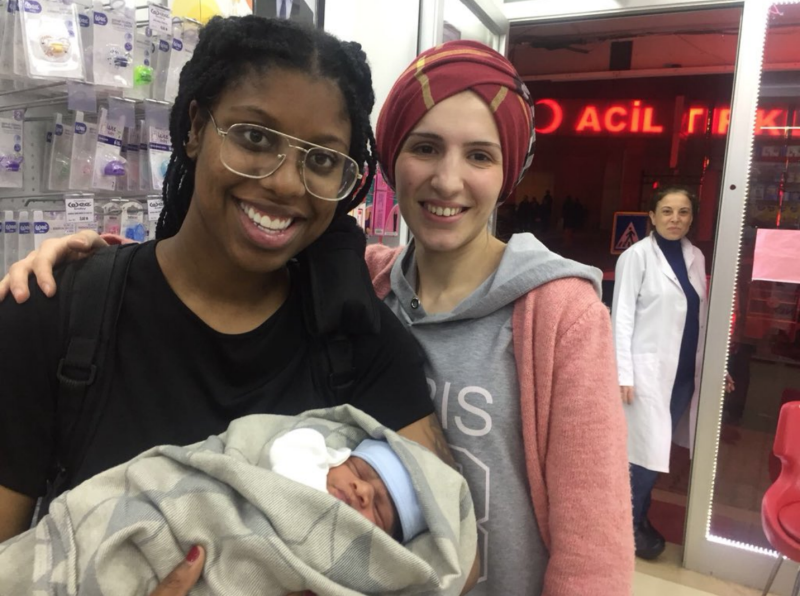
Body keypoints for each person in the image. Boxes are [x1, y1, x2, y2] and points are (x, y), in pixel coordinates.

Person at [2, 39, 634, 594]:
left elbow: (521, 554)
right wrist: (93, 267)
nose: (283, 182)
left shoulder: (371, 329)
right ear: (195, 126)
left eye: (321, 157)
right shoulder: (368, 287)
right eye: (254, 136)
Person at [1, 406, 477, 595]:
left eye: (378, 511)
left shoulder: (357, 317)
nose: (361, 493)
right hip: (136, 522)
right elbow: (290, 452)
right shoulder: (302, 455)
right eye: (361, 473)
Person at [611, 186, 708, 560]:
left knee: (655, 451)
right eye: (666, 211)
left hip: (683, 376)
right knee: (643, 455)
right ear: (651, 216)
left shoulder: (694, 257)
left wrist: (716, 366)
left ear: (691, 218)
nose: (675, 219)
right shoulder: (636, 257)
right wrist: (623, 374)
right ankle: (627, 525)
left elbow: (701, 317)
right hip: (645, 375)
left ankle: (638, 516)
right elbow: (620, 317)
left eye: (683, 212)